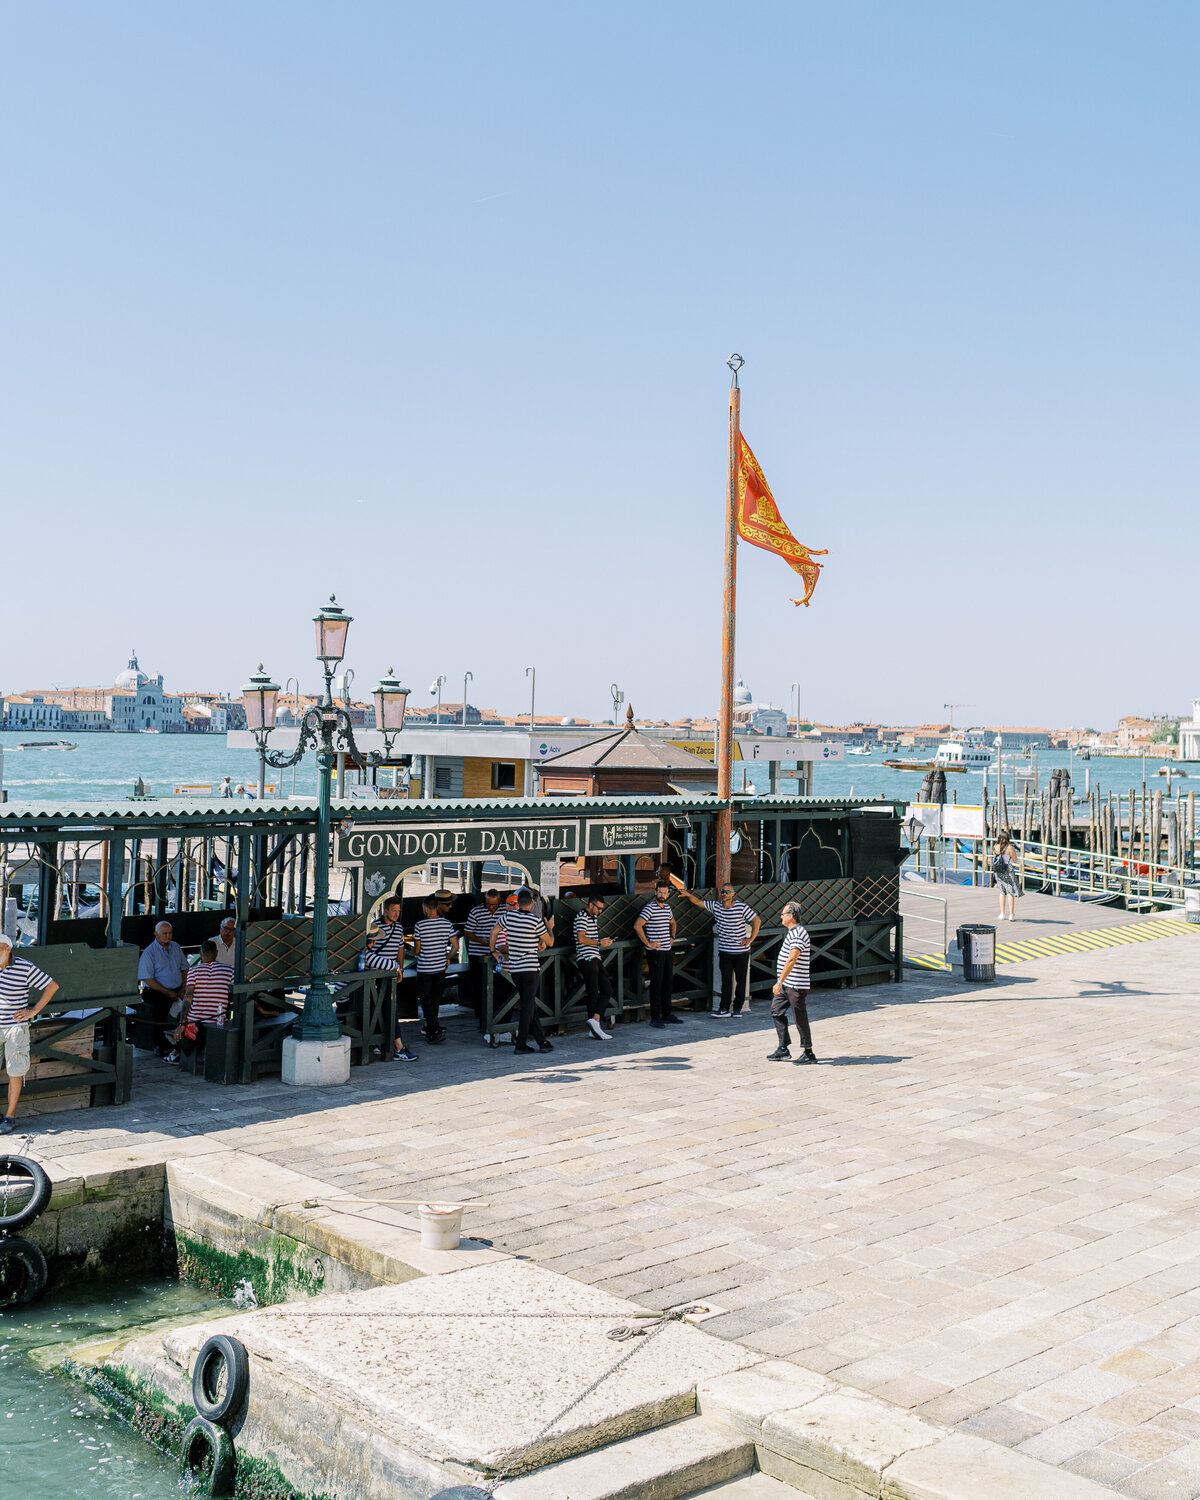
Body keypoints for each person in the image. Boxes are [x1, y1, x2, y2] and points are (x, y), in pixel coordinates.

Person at [0, 934, 59, 1134]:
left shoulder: (24, 967)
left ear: (7, 949)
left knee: (15, 1072)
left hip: (15, 1027)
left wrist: (33, 1011)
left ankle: (10, 1117)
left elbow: (52, 986)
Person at [678, 882, 761, 1017]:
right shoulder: (716, 906)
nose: (724, 894)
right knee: (726, 981)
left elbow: (756, 920)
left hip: (741, 952)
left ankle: (737, 1009)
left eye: (727, 892)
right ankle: (724, 1009)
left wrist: (750, 939)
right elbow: (699, 903)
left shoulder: (741, 906)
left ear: (733, 894)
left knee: (741, 981)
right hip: (725, 951)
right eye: (722, 891)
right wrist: (688, 894)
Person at [491, 888, 553, 1054]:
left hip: (515, 969)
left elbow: (495, 931)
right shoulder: (535, 921)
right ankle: (521, 1044)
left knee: (529, 1003)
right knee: (527, 1006)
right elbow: (550, 942)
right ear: (532, 904)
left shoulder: (509, 917)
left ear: (518, 903)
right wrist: (550, 927)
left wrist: (493, 950)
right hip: (531, 969)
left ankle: (542, 1041)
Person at [362, 896, 417, 1061]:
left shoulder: (399, 928)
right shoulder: (375, 927)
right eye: (394, 910)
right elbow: (370, 952)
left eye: (398, 911)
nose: (396, 914)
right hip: (376, 975)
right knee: (383, 1009)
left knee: (388, 1008)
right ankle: (396, 1047)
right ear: (385, 910)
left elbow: (400, 949)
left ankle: (383, 1044)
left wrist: (400, 969)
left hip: (391, 974)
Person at [169, 940, 233, 1064]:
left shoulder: (193, 971)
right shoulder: (229, 970)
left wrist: (182, 1024)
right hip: (217, 1022)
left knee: (173, 1016)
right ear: (216, 953)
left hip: (195, 1023)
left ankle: (176, 1052)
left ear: (200, 954)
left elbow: (188, 997)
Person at [769, 902, 816, 1063]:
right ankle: (783, 1048)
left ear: (790, 916)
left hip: (795, 984)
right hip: (786, 983)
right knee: (776, 1011)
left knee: (799, 1017)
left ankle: (808, 1052)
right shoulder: (792, 932)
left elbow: (792, 959)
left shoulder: (798, 933)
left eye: (783, 914)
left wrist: (779, 981)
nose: (781, 917)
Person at [634, 881, 682, 1029]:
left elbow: (673, 923)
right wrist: (648, 943)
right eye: (660, 892)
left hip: (667, 950)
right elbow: (637, 925)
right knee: (657, 984)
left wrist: (673, 937)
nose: (662, 895)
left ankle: (667, 1013)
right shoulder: (649, 908)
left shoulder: (667, 907)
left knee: (668, 983)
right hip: (655, 952)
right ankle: (655, 1017)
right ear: (655, 892)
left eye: (664, 892)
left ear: (668, 894)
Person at [137, 921, 188, 1056]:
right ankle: (159, 1045)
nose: (168, 936)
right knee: (160, 1011)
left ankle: (180, 1043)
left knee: (187, 1010)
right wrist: (167, 992)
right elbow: (148, 979)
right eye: (164, 933)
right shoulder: (149, 952)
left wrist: (183, 988)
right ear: (156, 934)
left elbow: (185, 968)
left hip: (177, 989)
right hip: (157, 991)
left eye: (170, 933)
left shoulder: (175, 946)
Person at [412, 896, 457, 1044]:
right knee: (435, 999)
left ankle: (434, 1029)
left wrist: (412, 950)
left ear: (425, 908)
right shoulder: (447, 923)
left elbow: (417, 950)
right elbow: (455, 946)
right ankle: (431, 1028)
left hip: (425, 968)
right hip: (440, 967)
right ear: (437, 907)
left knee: (425, 1000)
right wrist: (447, 957)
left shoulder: (419, 925)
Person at [573, 895, 614, 1040]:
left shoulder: (592, 917)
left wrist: (602, 943)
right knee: (593, 991)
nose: (600, 911)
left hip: (594, 957)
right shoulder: (582, 916)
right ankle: (594, 1024)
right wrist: (599, 943)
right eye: (598, 908)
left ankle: (594, 1022)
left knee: (606, 989)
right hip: (587, 957)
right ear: (590, 905)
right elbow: (581, 938)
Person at [464, 889, 504, 1022]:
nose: (491, 907)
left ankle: (496, 1014)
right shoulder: (476, 911)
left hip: (496, 955)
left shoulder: (505, 910)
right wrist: (480, 940)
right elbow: (467, 933)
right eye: (488, 904)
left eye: (494, 905)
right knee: (479, 985)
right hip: (477, 953)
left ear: (499, 902)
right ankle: (481, 1015)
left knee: (498, 986)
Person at [993, 830, 1021, 921]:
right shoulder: (1010, 848)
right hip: (1008, 871)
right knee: (1010, 892)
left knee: (1002, 892)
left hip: (999, 871)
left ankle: (1002, 914)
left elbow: (995, 857)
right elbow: (1015, 860)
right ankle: (1011, 915)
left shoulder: (995, 846)